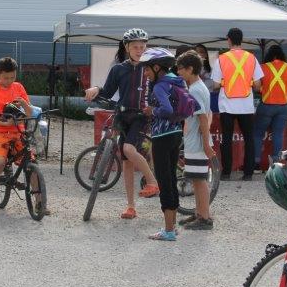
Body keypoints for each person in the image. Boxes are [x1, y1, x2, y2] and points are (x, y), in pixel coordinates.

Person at [84, 28, 159, 220]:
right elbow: (107, 92)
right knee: (126, 163)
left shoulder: (151, 68)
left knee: (128, 150)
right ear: (126, 48)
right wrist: (95, 89)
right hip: (122, 115)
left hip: (141, 117)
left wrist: (154, 106)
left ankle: (152, 181)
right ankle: (131, 207)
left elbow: (159, 90)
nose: (139, 50)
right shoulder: (118, 69)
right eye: (135, 47)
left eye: (143, 46)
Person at [0, 57, 40, 216]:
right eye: (5, 77)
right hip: (0, 132)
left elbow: (29, 113)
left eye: (12, 77)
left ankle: (40, 202)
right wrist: (5, 123)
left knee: (32, 163)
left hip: (18, 131)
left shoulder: (19, 87)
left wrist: (25, 104)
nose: (9, 81)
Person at [140, 48, 185, 241]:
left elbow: (165, 109)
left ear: (157, 67)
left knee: (164, 182)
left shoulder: (159, 86)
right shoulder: (177, 80)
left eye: (148, 69)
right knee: (171, 180)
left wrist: (152, 110)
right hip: (176, 133)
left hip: (162, 136)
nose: (146, 73)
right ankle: (172, 226)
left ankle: (168, 231)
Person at [211, 28, 263, 181]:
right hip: (246, 105)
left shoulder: (221, 59)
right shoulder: (251, 58)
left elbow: (214, 85)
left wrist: (224, 83)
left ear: (228, 39)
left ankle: (226, 173)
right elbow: (258, 85)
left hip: (227, 105)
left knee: (226, 139)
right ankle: (248, 173)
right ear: (242, 39)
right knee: (249, 139)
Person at [175, 50, 215, 230]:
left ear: (190, 69)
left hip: (198, 143)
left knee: (200, 180)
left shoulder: (196, 89)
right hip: (196, 142)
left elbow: (203, 119)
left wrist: (206, 144)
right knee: (197, 179)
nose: (178, 72)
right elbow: (208, 114)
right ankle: (199, 214)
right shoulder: (197, 87)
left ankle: (204, 217)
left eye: (181, 69)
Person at [253, 44, 287, 169]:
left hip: (266, 105)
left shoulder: (262, 68)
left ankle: (256, 163)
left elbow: (256, 86)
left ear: (269, 55)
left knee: (258, 134)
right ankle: (277, 165)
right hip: (283, 107)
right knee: (278, 135)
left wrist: (263, 90)